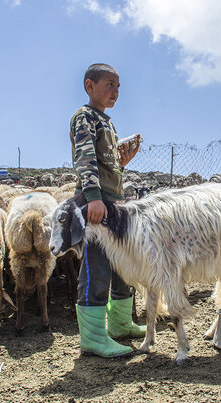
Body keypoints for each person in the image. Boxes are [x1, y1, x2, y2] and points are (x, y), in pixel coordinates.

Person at [69, 63, 145, 358]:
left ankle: (120, 322)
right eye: (109, 84)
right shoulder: (85, 117)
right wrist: (93, 198)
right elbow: (85, 158)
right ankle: (93, 338)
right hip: (97, 204)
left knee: (121, 265)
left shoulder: (107, 122)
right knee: (96, 267)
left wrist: (121, 161)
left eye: (118, 86)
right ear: (90, 86)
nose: (115, 91)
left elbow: (104, 164)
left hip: (113, 203)